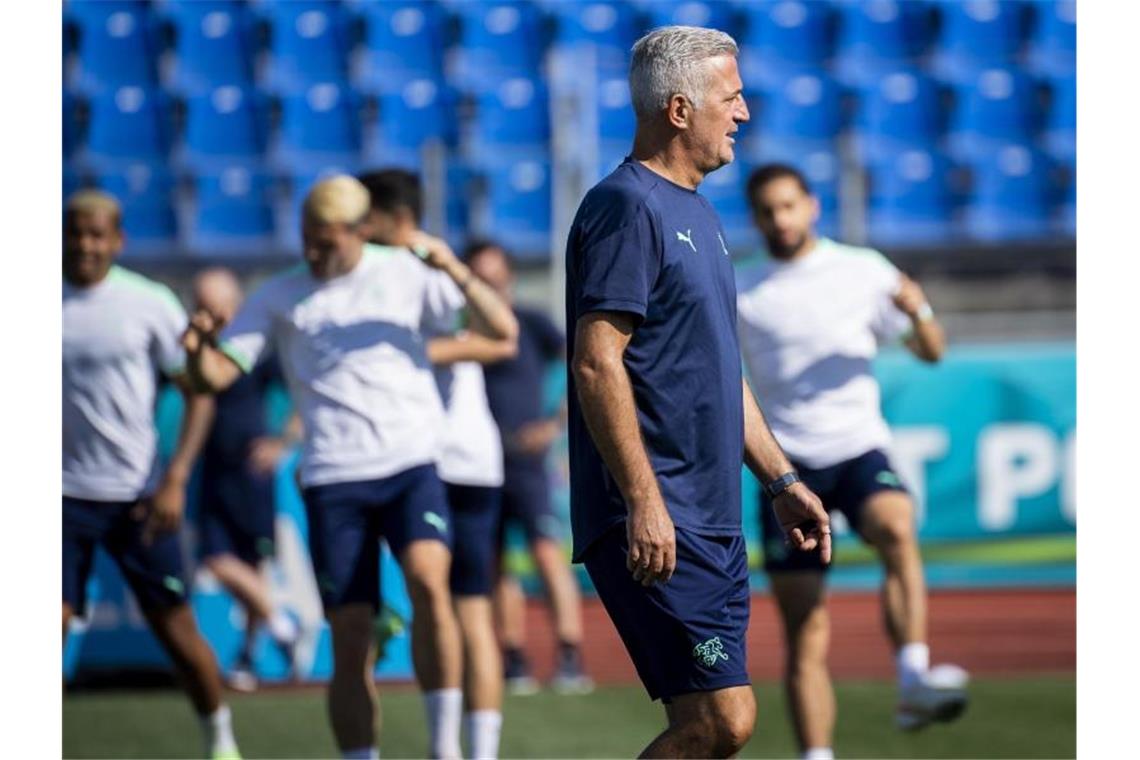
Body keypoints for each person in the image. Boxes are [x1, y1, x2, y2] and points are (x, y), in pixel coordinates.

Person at [182, 175, 517, 760]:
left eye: (325, 240)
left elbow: (501, 331)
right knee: (350, 636)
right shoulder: (278, 295)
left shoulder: (405, 273)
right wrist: (195, 351)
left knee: (429, 585)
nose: (312, 252)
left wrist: (454, 268)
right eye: (306, 238)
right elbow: (214, 377)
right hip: (334, 479)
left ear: (359, 231)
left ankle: (446, 749)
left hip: (412, 465)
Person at [564, 27, 831, 758]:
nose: (743, 113)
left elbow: (719, 371)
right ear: (680, 109)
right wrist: (643, 500)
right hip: (659, 514)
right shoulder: (626, 207)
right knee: (719, 720)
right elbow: (596, 363)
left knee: (717, 725)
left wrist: (780, 480)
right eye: (731, 97)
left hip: (711, 513)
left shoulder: (701, 214)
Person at [735, 163, 968, 760]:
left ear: (812, 206)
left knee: (896, 525)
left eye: (788, 206)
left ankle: (913, 677)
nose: (779, 219)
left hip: (858, 446)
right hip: (787, 468)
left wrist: (919, 312)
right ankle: (817, 755)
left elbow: (933, 353)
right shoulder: (744, 288)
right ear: (756, 217)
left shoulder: (863, 270)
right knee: (805, 630)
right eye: (767, 210)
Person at [62, 190, 241, 760]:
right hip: (60, 499)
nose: (85, 245)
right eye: (75, 233)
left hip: (138, 496)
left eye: (97, 235)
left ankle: (220, 738)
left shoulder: (148, 303)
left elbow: (201, 393)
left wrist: (176, 478)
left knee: (178, 632)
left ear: (118, 241)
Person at [358, 169, 519, 760]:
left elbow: (503, 336)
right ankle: (447, 746)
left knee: (463, 608)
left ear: (386, 216)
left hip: (455, 460)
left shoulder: (425, 264)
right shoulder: (364, 273)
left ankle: (469, 750)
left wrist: (415, 353)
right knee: (435, 605)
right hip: (408, 456)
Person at [465, 240, 593, 696]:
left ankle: (570, 654)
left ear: (510, 278)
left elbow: (585, 364)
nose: (489, 283)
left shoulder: (531, 323)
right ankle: (514, 658)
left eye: (495, 275)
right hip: (478, 464)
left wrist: (554, 424)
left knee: (545, 554)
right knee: (495, 564)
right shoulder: (461, 331)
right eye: (479, 275)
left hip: (527, 463)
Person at [191, 267, 301, 691]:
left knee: (252, 564)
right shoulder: (195, 350)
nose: (208, 311)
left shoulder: (253, 349)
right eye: (201, 303)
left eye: (215, 302)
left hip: (250, 472)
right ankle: (280, 625)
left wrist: (280, 443)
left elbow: (298, 392)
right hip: (213, 468)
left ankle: (248, 655)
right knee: (218, 559)